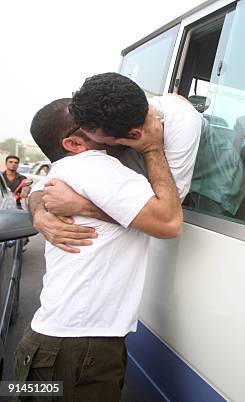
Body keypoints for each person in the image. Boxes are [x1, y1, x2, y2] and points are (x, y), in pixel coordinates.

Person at [14, 98, 182, 401]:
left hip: (47, 348)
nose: (102, 118)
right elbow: (168, 222)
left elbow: (36, 191)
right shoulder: (97, 166)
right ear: (74, 142)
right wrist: (153, 148)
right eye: (89, 120)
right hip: (78, 354)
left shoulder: (64, 169)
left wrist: (80, 207)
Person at [29, 72, 202, 253]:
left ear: (132, 136)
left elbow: (164, 219)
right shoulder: (107, 113)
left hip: (211, 194)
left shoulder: (181, 129)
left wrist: (83, 206)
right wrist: (39, 214)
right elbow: (53, 177)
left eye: (88, 133)